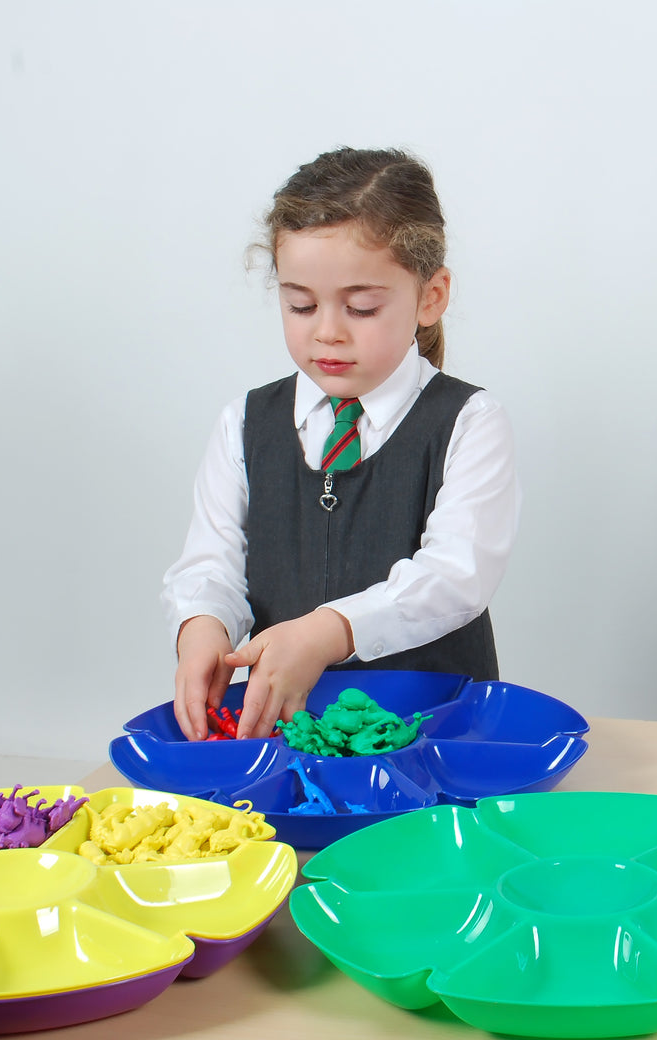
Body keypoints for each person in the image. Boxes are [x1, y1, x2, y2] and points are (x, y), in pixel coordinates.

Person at [162, 146, 521, 743]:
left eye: (361, 307)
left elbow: (456, 575)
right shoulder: (243, 423)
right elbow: (211, 562)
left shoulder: (469, 420)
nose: (327, 330)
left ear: (430, 296)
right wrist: (201, 626)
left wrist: (330, 630)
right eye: (300, 303)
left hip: (435, 736)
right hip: (286, 739)